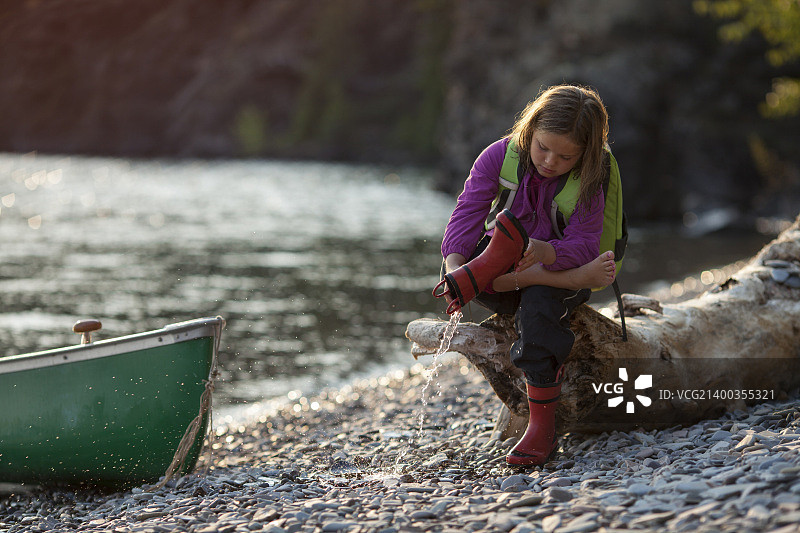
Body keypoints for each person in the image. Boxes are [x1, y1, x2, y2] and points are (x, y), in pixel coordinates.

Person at [440, 84, 617, 467]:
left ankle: (542, 428)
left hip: (562, 271)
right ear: (530, 129)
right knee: (471, 254)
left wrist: (546, 252)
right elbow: (466, 215)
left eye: (565, 156)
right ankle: (486, 270)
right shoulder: (498, 156)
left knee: (538, 310)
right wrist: (455, 269)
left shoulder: (590, 178)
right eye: (543, 148)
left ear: (584, 154)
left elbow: (586, 243)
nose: (550, 161)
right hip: (502, 269)